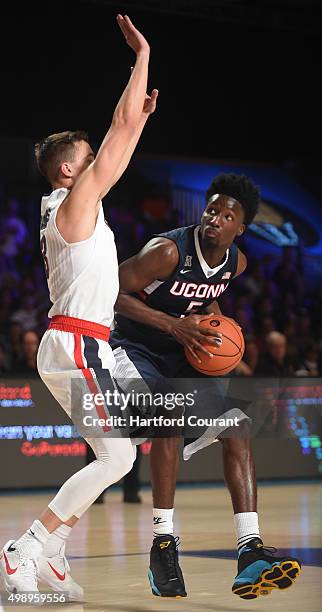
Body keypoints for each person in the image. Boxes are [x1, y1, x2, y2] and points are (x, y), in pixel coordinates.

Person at [0, 14, 157, 600]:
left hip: (81, 342)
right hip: (78, 341)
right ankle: (29, 544)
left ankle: (54, 549)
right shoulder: (74, 201)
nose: (97, 164)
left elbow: (119, 142)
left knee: (119, 449)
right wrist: (142, 60)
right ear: (70, 169)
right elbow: (116, 135)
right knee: (117, 457)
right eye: (87, 158)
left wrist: (135, 123)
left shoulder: (69, 204)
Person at [109, 173, 301, 599]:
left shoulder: (236, 263)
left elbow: (207, 297)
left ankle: (249, 551)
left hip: (181, 351)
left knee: (238, 424)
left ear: (241, 228)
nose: (215, 217)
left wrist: (217, 325)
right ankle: (163, 545)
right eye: (212, 209)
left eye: (226, 214)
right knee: (169, 411)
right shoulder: (166, 251)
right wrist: (172, 325)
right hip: (132, 350)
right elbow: (110, 292)